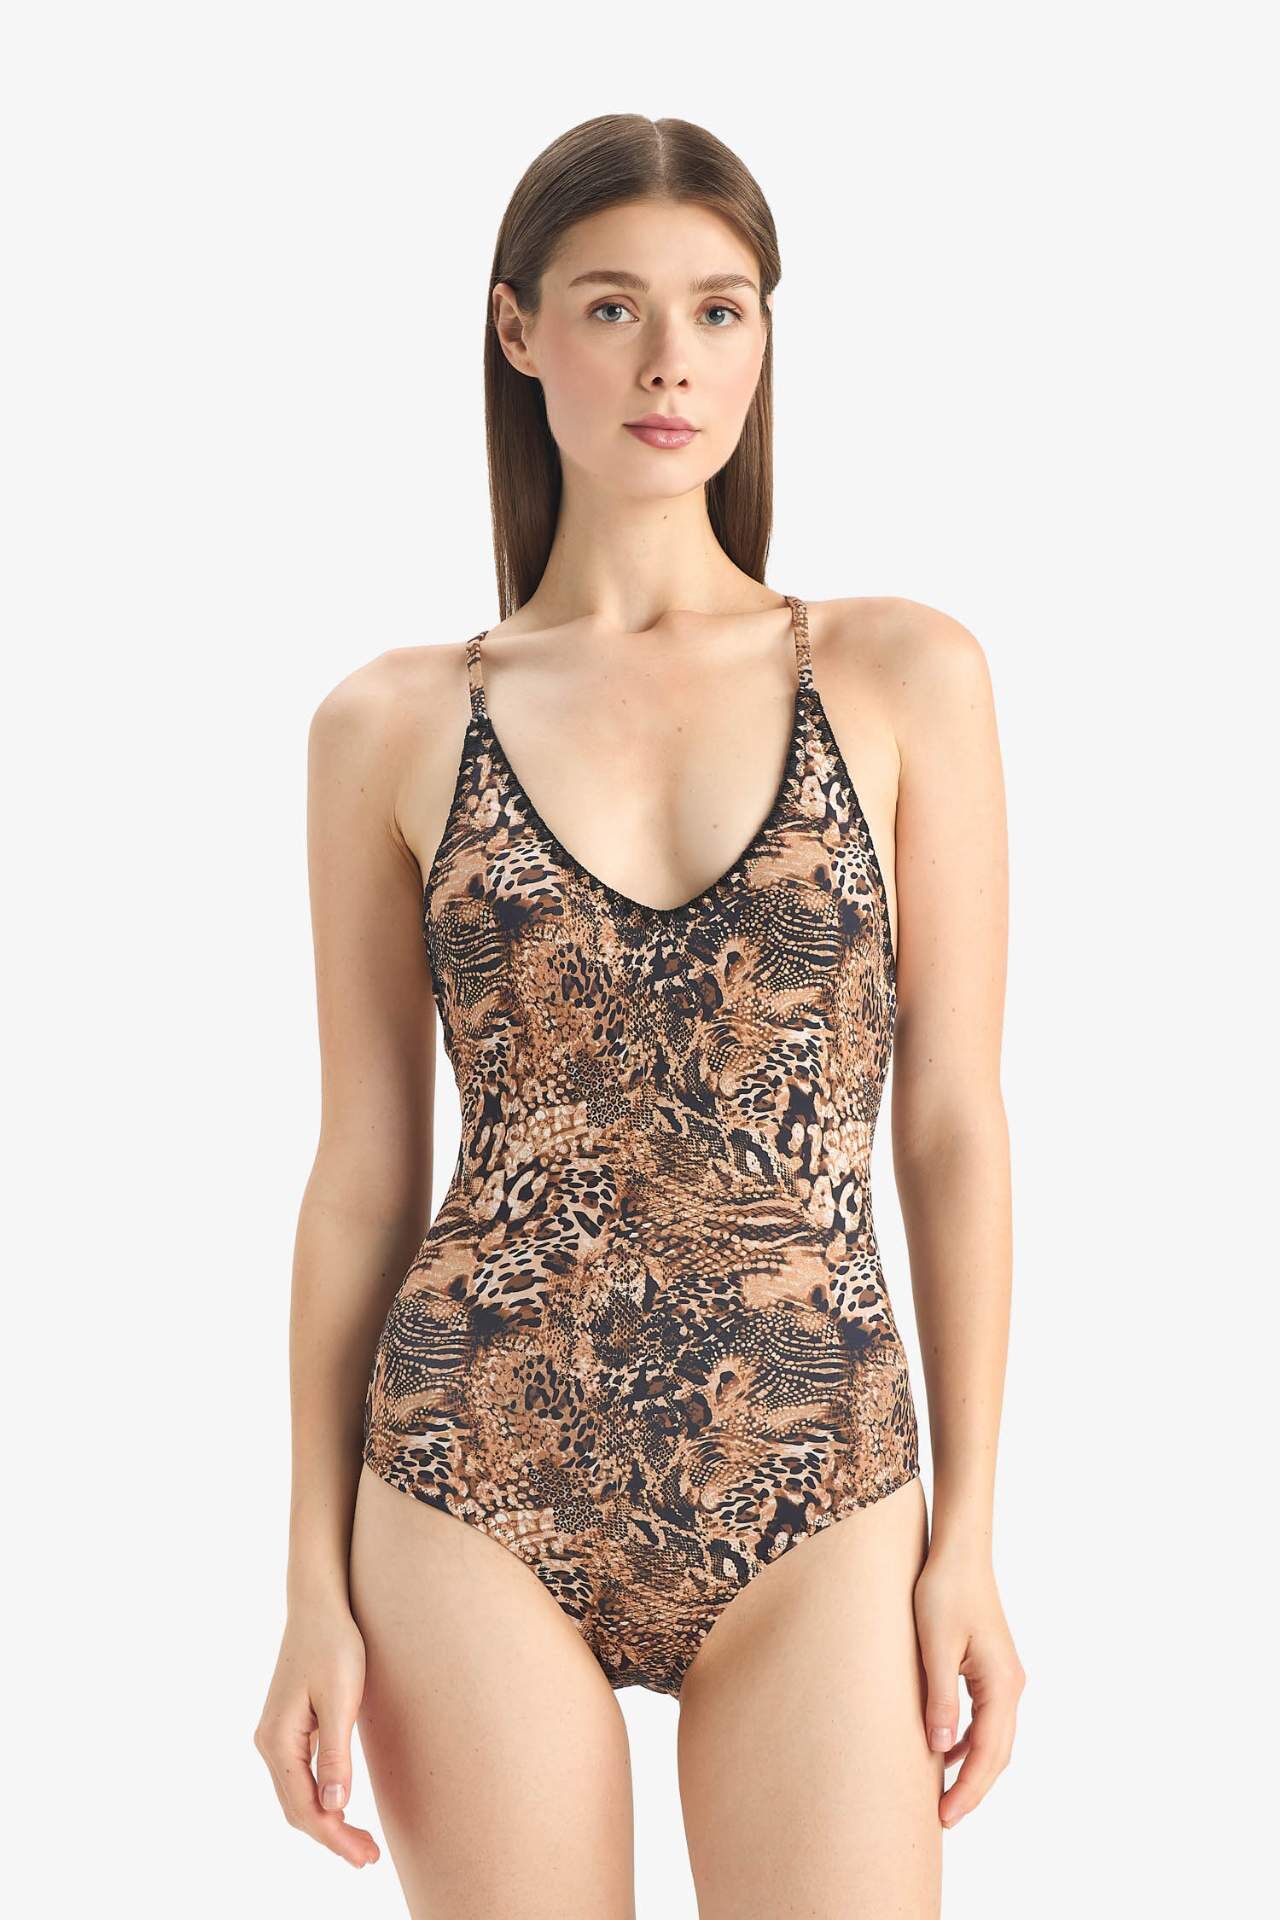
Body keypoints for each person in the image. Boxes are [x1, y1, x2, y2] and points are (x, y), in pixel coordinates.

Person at [254, 112, 1024, 1917]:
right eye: (614, 307)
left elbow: (953, 1125)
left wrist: (972, 1536)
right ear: (518, 328)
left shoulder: (902, 672)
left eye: (720, 309)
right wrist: (307, 1581)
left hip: (820, 1476)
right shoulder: (389, 722)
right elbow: (362, 1175)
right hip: (470, 1469)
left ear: (763, 336)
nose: (673, 360)